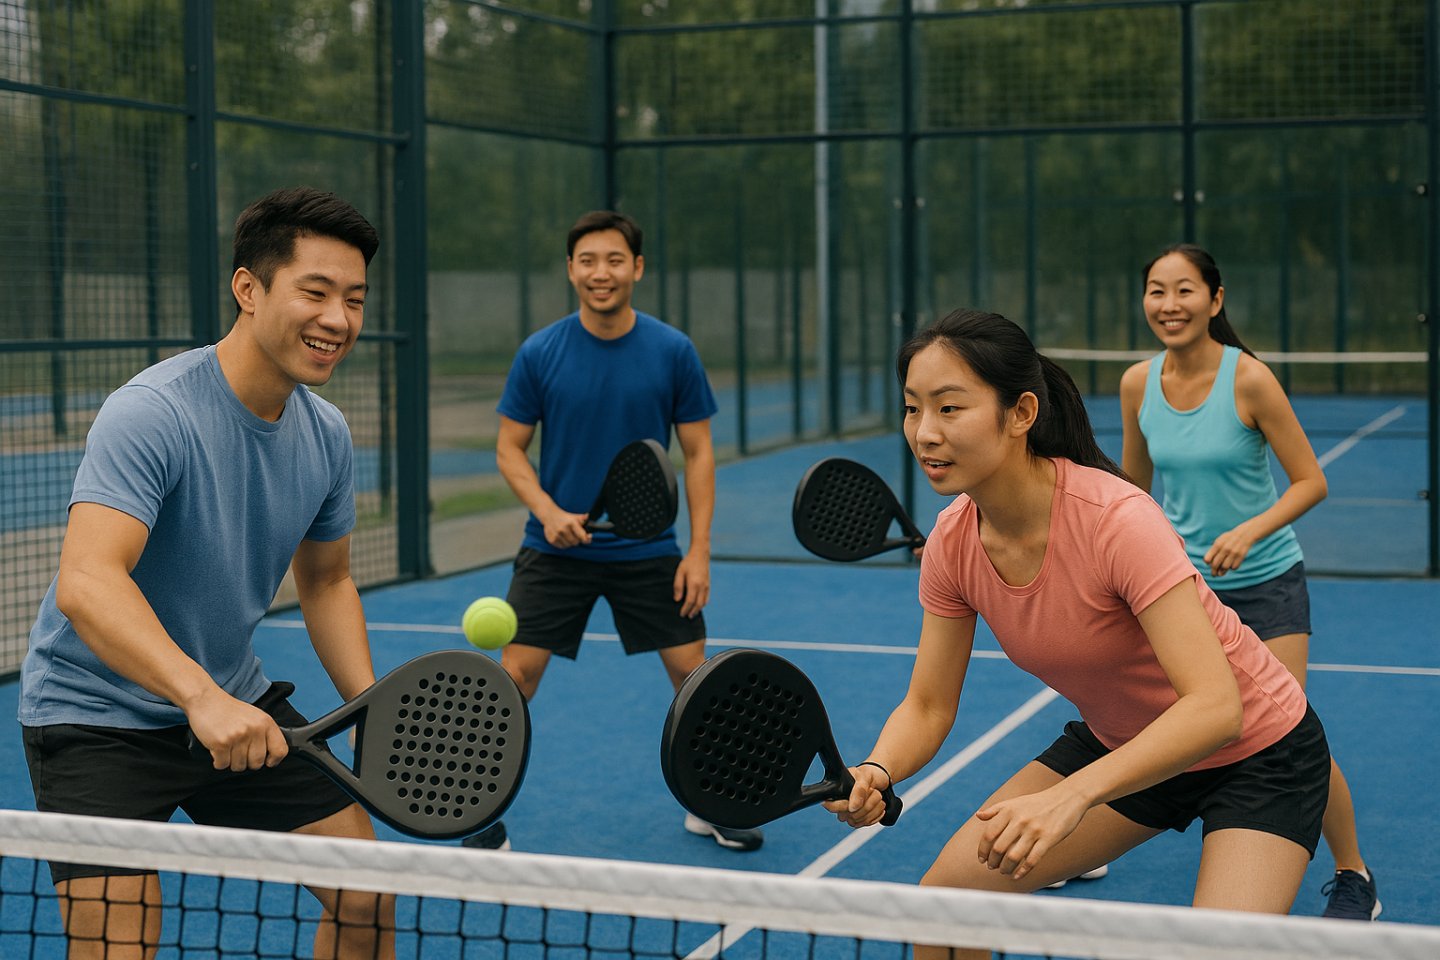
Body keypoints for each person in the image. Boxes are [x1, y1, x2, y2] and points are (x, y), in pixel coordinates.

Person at [824, 309, 1332, 959]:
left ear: (1021, 413)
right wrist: (878, 767)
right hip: (1126, 745)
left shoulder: (1116, 520)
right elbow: (928, 705)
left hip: (1260, 757)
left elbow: (1216, 707)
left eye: (950, 408)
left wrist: (1072, 796)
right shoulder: (953, 543)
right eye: (913, 409)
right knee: (947, 917)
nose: (924, 433)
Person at [19, 187, 395, 959]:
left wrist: (370, 705)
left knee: (370, 893)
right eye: (316, 292)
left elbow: (326, 581)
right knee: (119, 948)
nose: (338, 319)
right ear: (249, 289)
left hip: (234, 700)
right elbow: (88, 580)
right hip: (97, 720)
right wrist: (197, 697)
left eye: (354, 299)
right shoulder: (153, 412)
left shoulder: (325, 434)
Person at [471, 210, 760, 854]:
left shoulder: (673, 351)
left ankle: (712, 803)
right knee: (511, 679)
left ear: (637, 268)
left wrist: (699, 550)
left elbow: (700, 454)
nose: (600, 273)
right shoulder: (540, 352)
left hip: (650, 549)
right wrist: (548, 510)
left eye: (614, 260)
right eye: (587, 261)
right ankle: (480, 814)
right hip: (554, 548)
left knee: (695, 678)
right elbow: (510, 450)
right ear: (571, 269)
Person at [1118, 243, 1379, 921]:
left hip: (1267, 586)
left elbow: (1310, 482)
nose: (1169, 305)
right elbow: (1133, 495)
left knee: (1288, 731)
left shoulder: (1250, 380)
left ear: (1215, 299)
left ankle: (1354, 874)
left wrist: (1248, 531)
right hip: (1185, 592)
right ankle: (1086, 829)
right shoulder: (1136, 385)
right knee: (1145, 716)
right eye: (1156, 291)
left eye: (1183, 291)